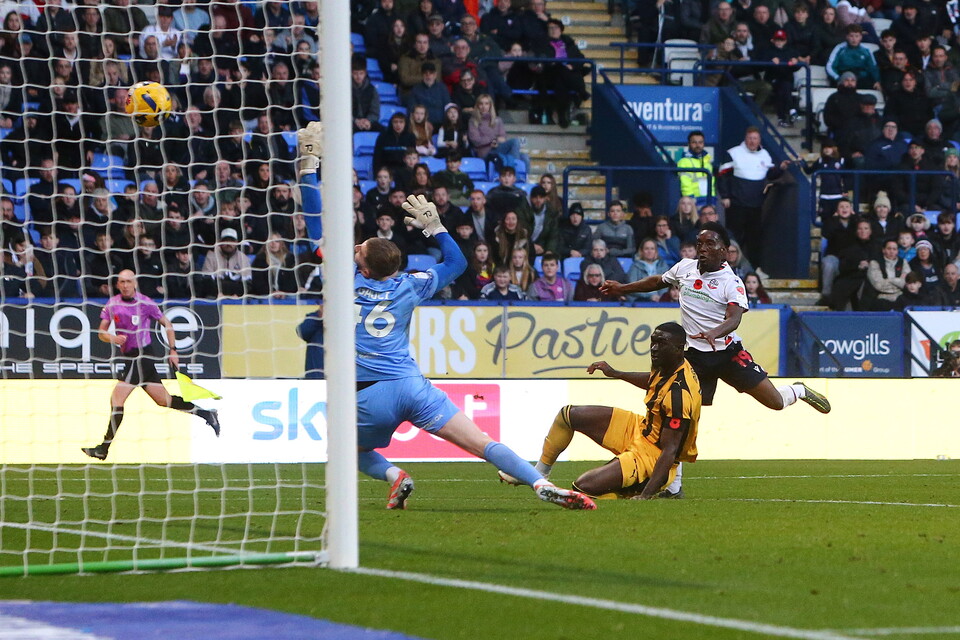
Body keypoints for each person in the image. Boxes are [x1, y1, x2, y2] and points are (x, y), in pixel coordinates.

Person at [297, 126, 593, 510]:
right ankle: (540, 484)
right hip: (412, 385)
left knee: (344, 446)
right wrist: (436, 226)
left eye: (359, 250)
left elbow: (315, 230)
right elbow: (457, 262)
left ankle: (394, 475)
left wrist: (307, 167)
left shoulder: (344, 279)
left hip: (369, 394)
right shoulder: (410, 284)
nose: (354, 249)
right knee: (483, 443)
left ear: (366, 269)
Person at [601, 224, 830, 496]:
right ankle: (673, 487)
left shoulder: (731, 282)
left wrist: (715, 332)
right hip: (695, 357)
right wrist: (622, 288)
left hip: (728, 353)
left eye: (709, 244)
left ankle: (798, 390)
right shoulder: (684, 267)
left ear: (725, 251)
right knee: (678, 416)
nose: (702, 249)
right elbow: (657, 281)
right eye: (699, 244)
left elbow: (734, 318)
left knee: (775, 403)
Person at [498, 323, 700, 501]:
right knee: (568, 415)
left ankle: (629, 492)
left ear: (678, 349)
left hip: (653, 455)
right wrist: (616, 373)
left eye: (661, 343)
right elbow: (653, 381)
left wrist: (646, 494)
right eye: (653, 341)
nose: (654, 348)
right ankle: (539, 474)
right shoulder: (669, 364)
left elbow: (670, 449)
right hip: (642, 428)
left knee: (583, 488)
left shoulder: (679, 396)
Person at [80, 270, 220, 461]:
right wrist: (113, 337)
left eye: (129, 281)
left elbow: (167, 324)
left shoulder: (145, 303)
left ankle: (103, 448)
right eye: (122, 282)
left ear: (135, 283)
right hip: (129, 357)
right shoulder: (113, 304)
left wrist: (173, 349)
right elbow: (101, 332)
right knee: (164, 401)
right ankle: (207, 414)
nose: (125, 285)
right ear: (117, 284)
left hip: (142, 356)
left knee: (117, 399)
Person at [718, 126, 790, 265]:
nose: (752, 141)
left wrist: (781, 169)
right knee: (734, 238)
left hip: (756, 206)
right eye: (750, 138)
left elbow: (769, 174)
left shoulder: (765, 155)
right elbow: (722, 176)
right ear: (745, 138)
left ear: (759, 140)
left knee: (755, 240)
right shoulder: (733, 153)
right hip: (736, 205)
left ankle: (753, 269)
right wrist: (725, 196)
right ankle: (729, 268)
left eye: (755, 138)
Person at [677, 131, 716, 203]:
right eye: (694, 142)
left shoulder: (707, 161)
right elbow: (685, 183)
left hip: (709, 199)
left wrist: (712, 197)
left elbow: (711, 182)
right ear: (689, 144)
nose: (698, 145)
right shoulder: (684, 161)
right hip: (694, 200)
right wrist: (690, 199)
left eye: (700, 142)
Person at [296, 303, 324, 379]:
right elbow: (301, 332)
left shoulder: (343, 322)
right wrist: (318, 317)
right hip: (315, 377)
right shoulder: (314, 318)